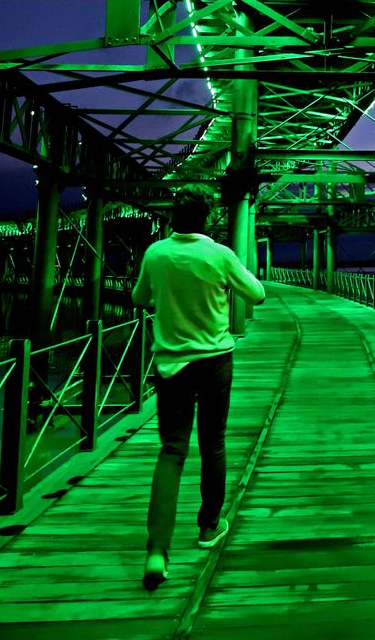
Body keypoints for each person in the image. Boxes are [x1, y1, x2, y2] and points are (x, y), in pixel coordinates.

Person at [132, 185, 265, 589]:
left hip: (170, 366)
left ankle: (157, 550)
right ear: (208, 218)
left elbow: (139, 298)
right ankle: (209, 526)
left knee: (172, 451)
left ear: (173, 216)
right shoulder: (219, 254)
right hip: (214, 362)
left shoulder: (156, 253)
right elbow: (257, 294)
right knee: (213, 443)